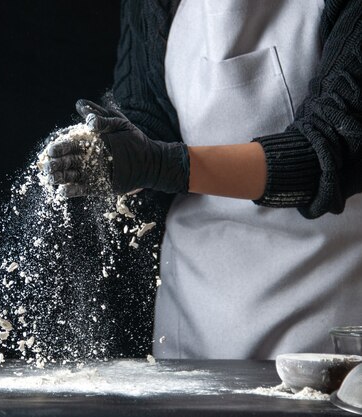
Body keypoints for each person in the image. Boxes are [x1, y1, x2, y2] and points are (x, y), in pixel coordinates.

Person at [44, 0, 362, 359]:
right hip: (192, 314)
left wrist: (165, 165)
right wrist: (113, 153)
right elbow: (150, 116)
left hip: (321, 313)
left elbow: (330, 150)